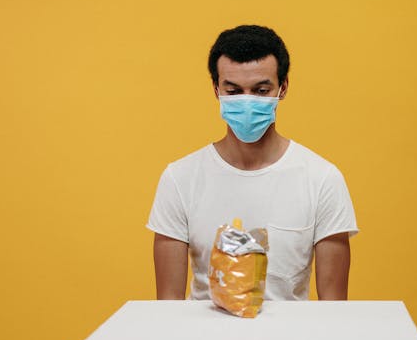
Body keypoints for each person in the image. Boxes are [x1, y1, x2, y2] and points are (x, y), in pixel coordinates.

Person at [146, 25, 359, 301]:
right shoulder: (179, 179)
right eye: (233, 91)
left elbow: (334, 309)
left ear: (283, 88)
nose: (247, 102)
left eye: (260, 90)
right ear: (216, 89)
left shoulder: (322, 179)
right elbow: (168, 308)